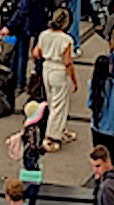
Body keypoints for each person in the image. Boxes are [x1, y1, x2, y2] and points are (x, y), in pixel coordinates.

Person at [1, 0, 53, 91]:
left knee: (21, 54)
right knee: (40, 56)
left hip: (29, 26)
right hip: (44, 27)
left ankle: (18, 81)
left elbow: (22, 10)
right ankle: (39, 81)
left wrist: (9, 25)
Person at [34, 8, 78, 152]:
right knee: (59, 104)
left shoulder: (44, 34)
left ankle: (61, 129)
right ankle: (50, 137)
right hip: (59, 71)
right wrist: (74, 79)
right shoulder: (66, 40)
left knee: (53, 100)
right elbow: (67, 62)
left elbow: (36, 53)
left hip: (47, 68)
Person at [88, 57, 114, 165]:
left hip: (97, 127)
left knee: (100, 157)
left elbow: (89, 104)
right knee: (113, 159)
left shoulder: (92, 84)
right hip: (112, 128)